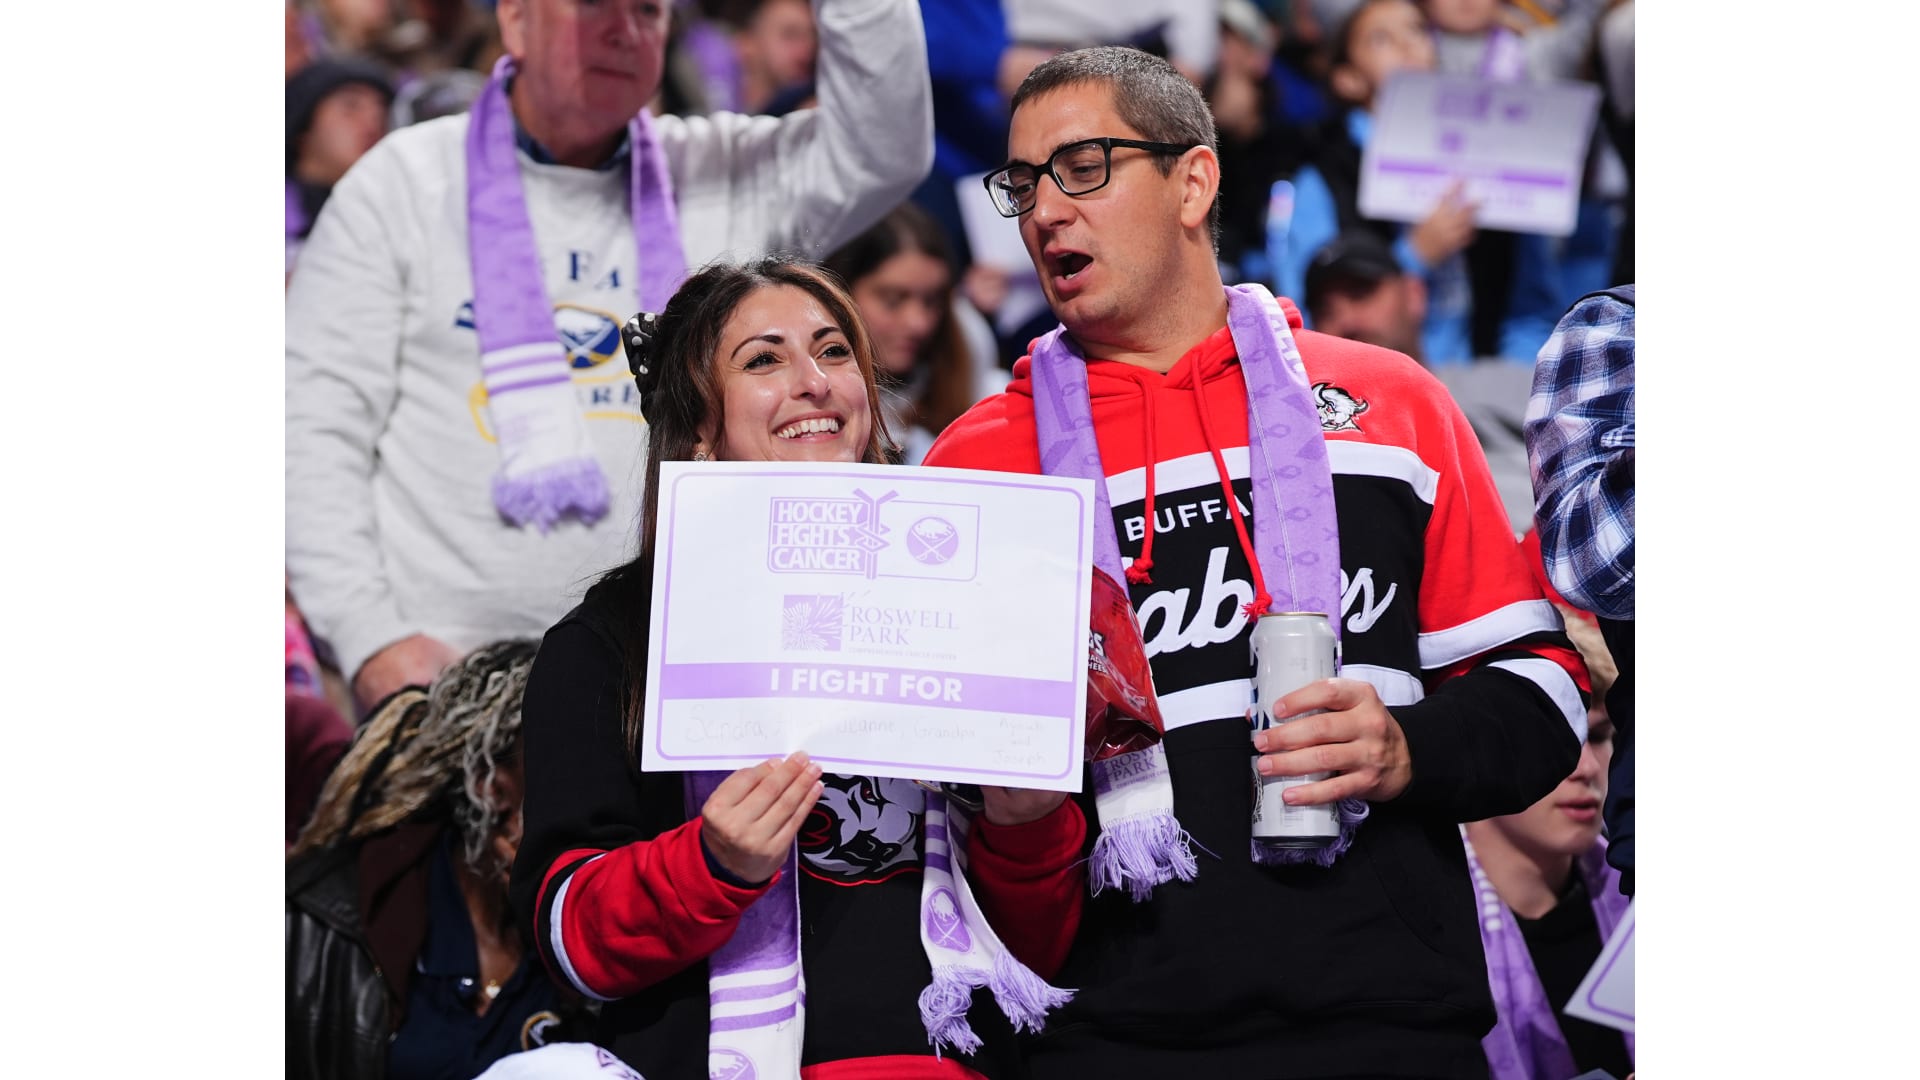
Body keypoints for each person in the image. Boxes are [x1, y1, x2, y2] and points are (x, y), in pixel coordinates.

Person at [924, 46, 1587, 1077]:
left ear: (1194, 181)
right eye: (1023, 184)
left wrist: (1403, 747)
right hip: (1113, 1043)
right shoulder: (977, 465)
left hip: (1391, 1023)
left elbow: (1541, 697)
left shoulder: (1391, 404)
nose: (1045, 211)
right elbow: (964, 813)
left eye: (1084, 168)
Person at [509, 256, 1086, 1079]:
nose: (814, 382)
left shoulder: (972, 602)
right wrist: (710, 864)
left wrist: (1028, 830)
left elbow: (1044, 954)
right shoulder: (610, 641)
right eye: (764, 360)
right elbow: (574, 945)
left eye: (834, 351)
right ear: (699, 426)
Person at [285, 0, 934, 714]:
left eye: (648, 10)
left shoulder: (721, 165)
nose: (625, 30)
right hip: (447, 689)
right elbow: (312, 426)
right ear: (516, 20)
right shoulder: (401, 182)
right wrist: (370, 638)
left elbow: (886, 146)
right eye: (595, 6)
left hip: (687, 671)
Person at [288, 641, 587, 1080]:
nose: (595, 804)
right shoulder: (328, 922)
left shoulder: (589, 932)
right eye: (569, 779)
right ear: (492, 789)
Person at [1464, 608, 1634, 1080]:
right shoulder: (1430, 924)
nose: (1587, 768)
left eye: (1599, 736)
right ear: (1483, 748)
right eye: (1563, 738)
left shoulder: (1635, 895)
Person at [1303, 230, 1535, 534]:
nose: (1346, 322)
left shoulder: (1506, 385)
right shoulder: (1310, 440)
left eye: (1361, 293)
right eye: (1325, 311)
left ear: (1414, 295)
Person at [1525, 284, 1634, 897]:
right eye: (1577, 735)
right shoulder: (1618, 324)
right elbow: (1590, 563)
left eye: (1593, 736)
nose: (1583, 770)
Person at [822, 202, 1007, 464]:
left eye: (932, 301)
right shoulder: (813, 388)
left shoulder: (968, 354)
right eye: (893, 299)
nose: (919, 323)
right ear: (841, 293)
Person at [286, 56, 394, 277]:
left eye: (382, 110)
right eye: (351, 106)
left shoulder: (393, 211)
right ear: (303, 128)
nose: (373, 122)